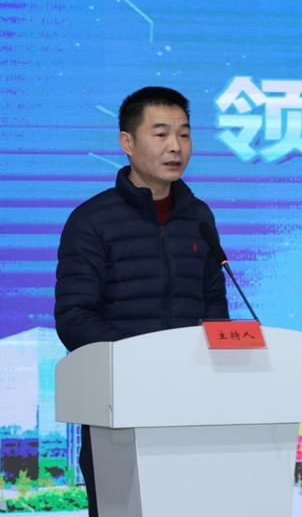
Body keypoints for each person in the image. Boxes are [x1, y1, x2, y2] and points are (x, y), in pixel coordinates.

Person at [54, 86, 229, 516]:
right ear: (127, 142)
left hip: (192, 405)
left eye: (184, 134)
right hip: (119, 407)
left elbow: (214, 306)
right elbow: (74, 317)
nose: (176, 146)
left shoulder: (199, 216)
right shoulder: (92, 221)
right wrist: (142, 361)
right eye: (161, 133)